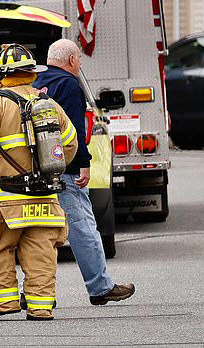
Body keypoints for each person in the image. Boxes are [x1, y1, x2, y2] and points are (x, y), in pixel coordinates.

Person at [0, 43, 78, 321]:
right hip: (45, 199)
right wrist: (50, 168)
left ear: (1, 75)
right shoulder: (50, 105)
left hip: (6, 201)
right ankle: (40, 307)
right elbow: (70, 143)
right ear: (31, 73)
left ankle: (5, 303)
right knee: (42, 255)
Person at [32, 38, 135, 306]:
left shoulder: (35, 84)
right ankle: (100, 287)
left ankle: (34, 293)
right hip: (65, 170)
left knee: (39, 235)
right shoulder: (68, 84)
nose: (79, 64)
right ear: (71, 60)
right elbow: (74, 130)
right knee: (84, 229)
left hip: (38, 171)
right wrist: (83, 163)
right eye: (78, 59)